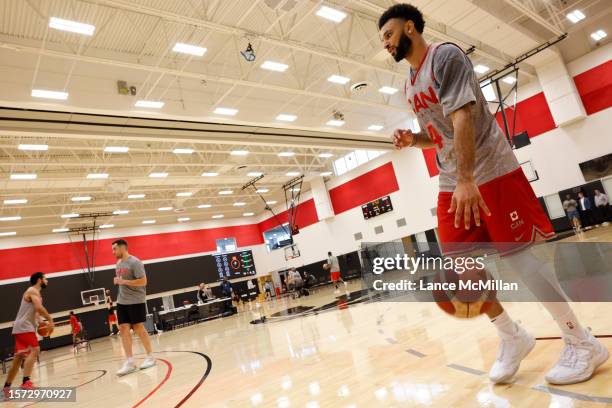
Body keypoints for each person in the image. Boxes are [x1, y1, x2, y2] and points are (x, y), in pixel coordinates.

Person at [380, 3, 607, 385]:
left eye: (388, 35)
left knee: (519, 261)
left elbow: (463, 116)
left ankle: (581, 341)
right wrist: (413, 139)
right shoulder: (409, 84)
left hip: (491, 172)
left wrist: (468, 178)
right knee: (458, 268)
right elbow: (440, 134)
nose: (385, 44)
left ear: (409, 28)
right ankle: (511, 335)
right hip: (453, 179)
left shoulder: (445, 57)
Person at [3, 272, 54, 395]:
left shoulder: (36, 294)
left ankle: (6, 388)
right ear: (39, 280)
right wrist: (50, 319)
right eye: (45, 278)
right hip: (24, 326)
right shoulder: (32, 290)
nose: (47, 281)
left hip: (21, 326)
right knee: (35, 350)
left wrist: (43, 323)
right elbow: (39, 308)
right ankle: (26, 382)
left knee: (18, 358)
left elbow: (36, 315)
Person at [112, 239, 156, 376]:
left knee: (138, 327)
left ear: (122, 248)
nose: (113, 252)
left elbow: (143, 281)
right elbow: (121, 282)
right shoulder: (118, 264)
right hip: (122, 301)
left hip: (136, 300)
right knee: (123, 328)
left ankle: (150, 357)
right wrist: (119, 282)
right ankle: (130, 362)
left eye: (115, 249)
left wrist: (123, 281)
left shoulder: (135, 262)